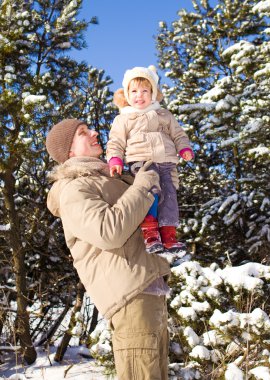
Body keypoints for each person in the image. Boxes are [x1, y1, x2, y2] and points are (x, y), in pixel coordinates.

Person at [45, 119, 171, 380]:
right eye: (82, 133)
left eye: (90, 128)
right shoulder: (74, 188)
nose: (94, 132)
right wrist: (142, 186)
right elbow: (108, 232)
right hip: (130, 297)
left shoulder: (108, 180)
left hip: (150, 290)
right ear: (69, 152)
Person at [106, 65, 194, 254]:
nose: (140, 95)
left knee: (169, 197)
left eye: (145, 90)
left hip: (167, 162)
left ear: (153, 93)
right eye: (134, 91)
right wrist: (115, 160)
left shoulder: (164, 115)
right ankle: (151, 233)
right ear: (127, 94)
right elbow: (116, 141)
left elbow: (178, 134)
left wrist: (184, 148)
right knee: (150, 194)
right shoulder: (124, 119)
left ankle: (169, 236)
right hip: (141, 162)